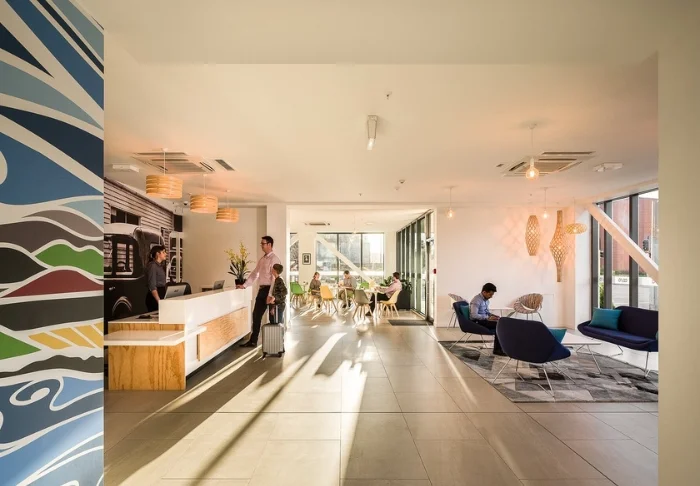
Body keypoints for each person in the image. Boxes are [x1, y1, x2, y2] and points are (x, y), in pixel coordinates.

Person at [236, 236, 281, 347]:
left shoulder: (274, 259)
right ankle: (253, 341)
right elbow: (255, 274)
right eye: (261, 244)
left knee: (273, 318)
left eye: (263, 243)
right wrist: (244, 285)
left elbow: (274, 279)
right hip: (262, 291)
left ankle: (274, 345)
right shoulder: (262, 259)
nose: (261, 245)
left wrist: (270, 295)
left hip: (270, 291)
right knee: (256, 315)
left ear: (269, 245)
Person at [145, 245, 167, 312]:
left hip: (161, 295)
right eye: (163, 252)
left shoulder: (160, 266)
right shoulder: (153, 266)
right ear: (158, 254)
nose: (166, 254)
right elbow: (152, 287)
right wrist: (159, 301)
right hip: (155, 299)